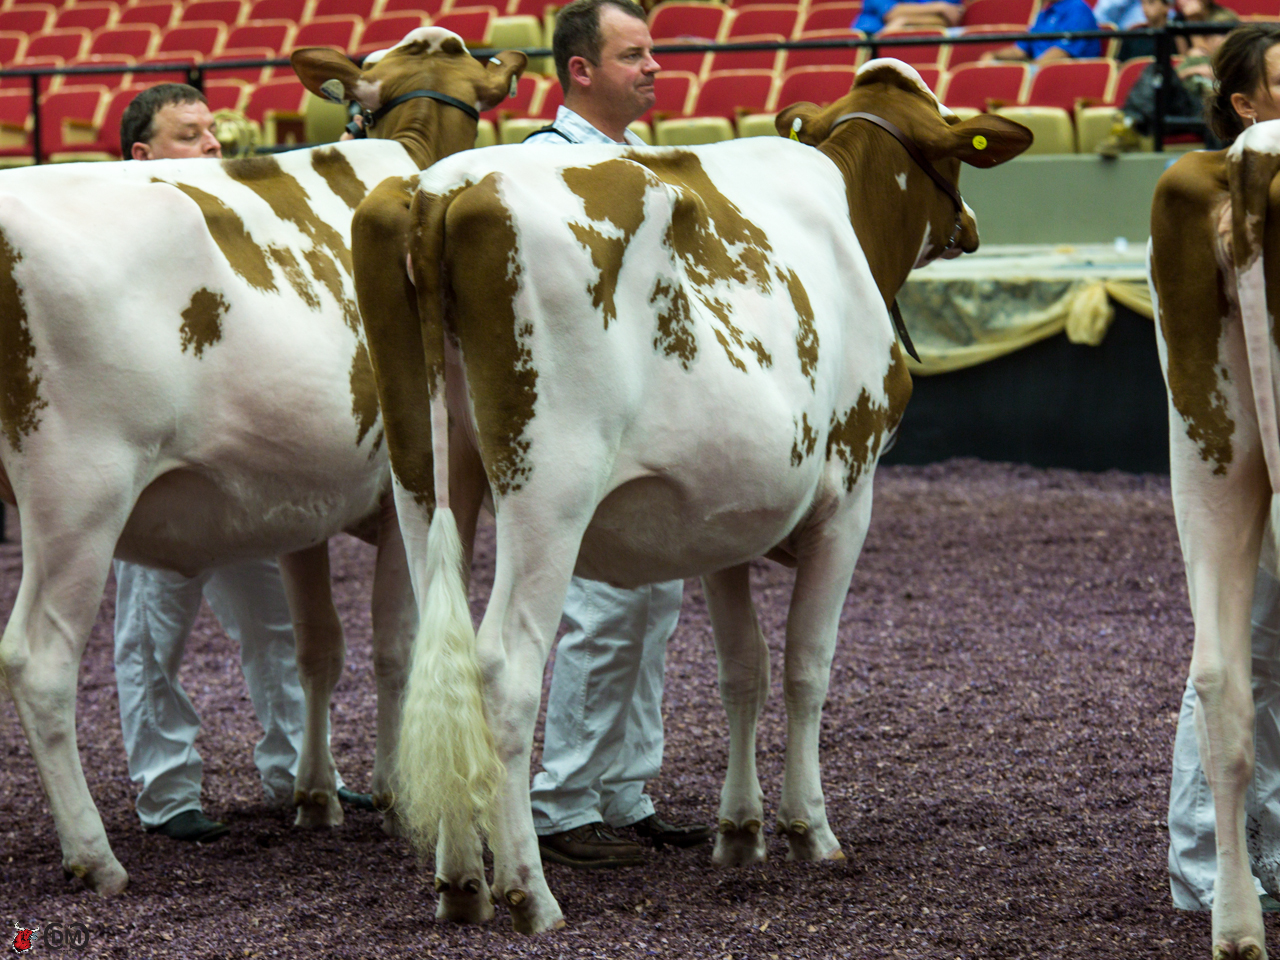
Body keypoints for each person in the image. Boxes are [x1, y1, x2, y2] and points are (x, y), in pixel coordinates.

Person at [115, 84, 370, 844]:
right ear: (142, 155)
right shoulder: (115, 240)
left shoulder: (239, 217)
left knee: (278, 628)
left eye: (213, 132)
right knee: (151, 636)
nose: (212, 145)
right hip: (162, 471)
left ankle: (299, 769)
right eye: (190, 134)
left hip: (245, 465)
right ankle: (168, 794)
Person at [522, 0, 714, 869]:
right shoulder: (540, 167)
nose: (653, 67)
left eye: (652, 52)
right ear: (580, 69)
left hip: (646, 407)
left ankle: (626, 791)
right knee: (600, 608)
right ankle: (563, 802)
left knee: (654, 602)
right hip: (577, 410)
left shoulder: (636, 159)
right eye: (633, 54)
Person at [1167, 23, 1280, 913]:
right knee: (1247, 640)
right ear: (1246, 105)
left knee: (1251, 642)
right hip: (1239, 440)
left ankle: (1235, 856)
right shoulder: (1214, 190)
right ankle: (1211, 862)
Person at [979, 0, 1102, 62]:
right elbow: (1020, 50)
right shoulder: (1044, 13)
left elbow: (1061, 54)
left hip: (1064, 77)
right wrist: (994, 56)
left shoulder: (1078, 10)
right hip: (1038, 70)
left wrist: (1028, 70)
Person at [853, 0, 962, 37]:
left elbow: (948, 19)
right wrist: (939, 7)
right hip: (870, 39)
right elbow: (891, 13)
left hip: (926, 38)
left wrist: (905, 21)